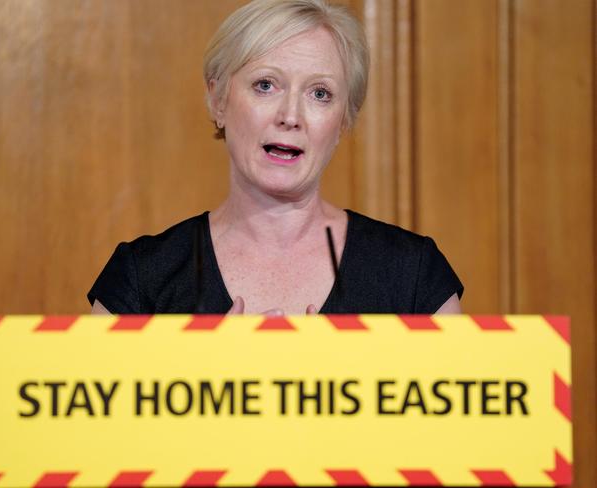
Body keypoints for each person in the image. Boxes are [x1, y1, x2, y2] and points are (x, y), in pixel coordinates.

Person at [88, 0, 463, 315]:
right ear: (218, 100)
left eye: (320, 94)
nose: (290, 116)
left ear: (344, 120)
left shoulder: (415, 276)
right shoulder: (140, 279)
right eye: (265, 85)